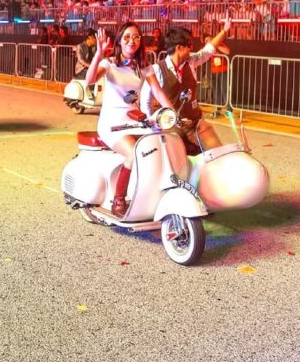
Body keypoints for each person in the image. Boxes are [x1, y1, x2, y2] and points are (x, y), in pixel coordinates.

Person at [83, 22, 155, 217]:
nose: (132, 41)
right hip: (112, 123)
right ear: (120, 41)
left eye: (136, 37)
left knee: (159, 146)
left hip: (135, 122)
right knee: (134, 153)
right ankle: (119, 199)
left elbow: (159, 92)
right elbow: (89, 80)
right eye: (127, 37)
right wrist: (99, 54)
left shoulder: (143, 67)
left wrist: (172, 111)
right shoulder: (109, 64)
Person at [140, 18, 233, 155]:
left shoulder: (191, 62)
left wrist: (224, 31)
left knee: (218, 152)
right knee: (177, 160)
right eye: (189, 44)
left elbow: (208, 50)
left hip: (194, 123)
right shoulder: (156, 69)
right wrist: (151, 128)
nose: (192, 48)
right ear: (179, 47)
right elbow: (145, 101)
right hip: (169, 126)